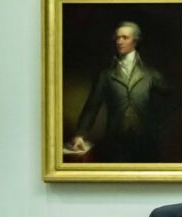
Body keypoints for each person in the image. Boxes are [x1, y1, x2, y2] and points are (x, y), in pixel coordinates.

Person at [69, 21, 169, 163]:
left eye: (124, 37)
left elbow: (170, 98)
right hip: (115, 142)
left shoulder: (150, 74)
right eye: (117, 38)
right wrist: (80, 134)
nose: (119, 41)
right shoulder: (106, 75)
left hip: (146, 142)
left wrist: (156, 121)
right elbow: (92, 106)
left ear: (135, 41)